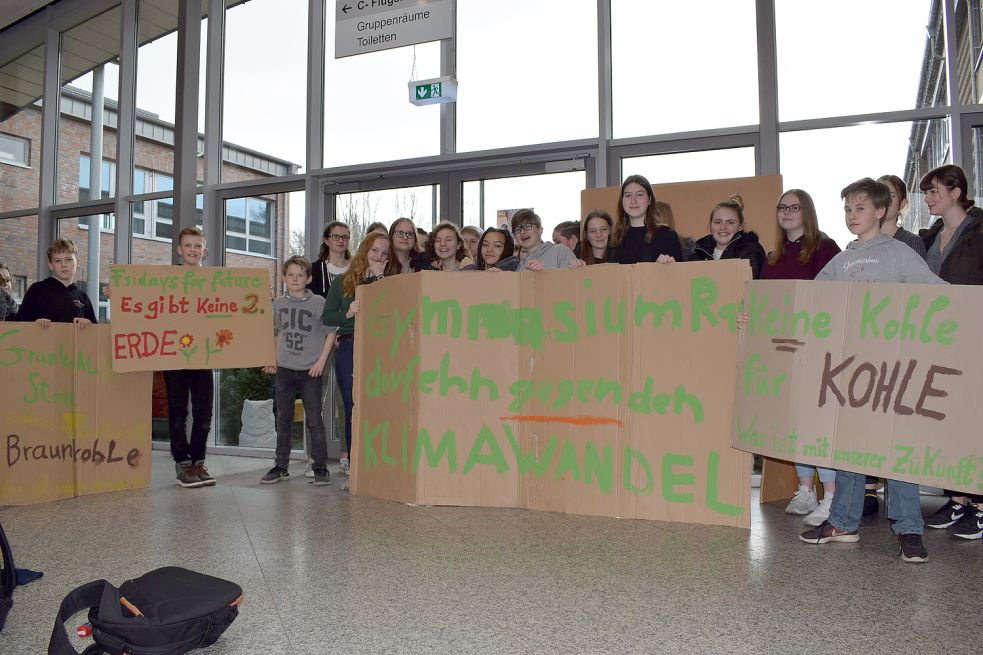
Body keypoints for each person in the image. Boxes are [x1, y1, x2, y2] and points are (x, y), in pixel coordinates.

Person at [799, 178, 944, 563]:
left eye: (859, 208)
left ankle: (909, 528)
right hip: (851, 372)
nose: (851, 216)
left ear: (881, 211)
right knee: (850, 448)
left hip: (894, 372)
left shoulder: (898, 254)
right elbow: (809, 300)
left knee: (897, 451)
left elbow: (937, 291)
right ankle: (843, 522)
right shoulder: (842, 261)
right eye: (847, 209)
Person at [760, 189, 841, 522]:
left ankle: (832, 496)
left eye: (794, 207)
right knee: (796, 424)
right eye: (782, 207)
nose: (787, 212)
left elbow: (834, 298)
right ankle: (806, 489)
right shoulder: (773, 257)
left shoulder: (826, 248)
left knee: (818, 424)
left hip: (818, 348)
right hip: (783, 351)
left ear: (807, 211)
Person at [918, 164, 983, 539]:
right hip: (941, 340)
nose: (927, 198)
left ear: (956, 192)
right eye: (926, 193)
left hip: (974, 336)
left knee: (976, 420)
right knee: (951, 420)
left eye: (933, 191)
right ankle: (958, 497)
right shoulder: (931, 236)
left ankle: (980, 503)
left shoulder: (979, 230)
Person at [322, 232, 389, 488]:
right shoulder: (342, 282)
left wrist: (378, 279)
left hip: (381, 349)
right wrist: (347, 313)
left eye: (384, 253)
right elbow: (327, 317)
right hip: (349, 348)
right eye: (374, 250)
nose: (378, 257)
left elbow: (391, 312)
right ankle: (356, 467)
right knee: (353, 408)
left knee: (379, 408)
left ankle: (378, 465)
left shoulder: (388, 281)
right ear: (364, 250)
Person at [261, 256, 335, 487]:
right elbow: (277, 333)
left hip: (310, 370)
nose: (295, 279)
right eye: (290, 274)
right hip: (284, 369)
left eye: (300, 275)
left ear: (308, 278)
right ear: (284, 277)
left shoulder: (318, 303)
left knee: (314, 421)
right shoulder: (278, 304)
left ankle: (320, 467)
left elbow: (330, 333)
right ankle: (281, 466)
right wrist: (270, 359)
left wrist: (320, 363)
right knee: (283, 419)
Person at [161, 228, 216, 489]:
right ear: (179, 250)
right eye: (188, 245)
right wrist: (120, 292)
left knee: (205, 413)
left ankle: (198, 462)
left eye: (197, 246)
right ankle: (182, 464)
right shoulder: (166, 279)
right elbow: (143, 301)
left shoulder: (216, 281)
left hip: (203, 357)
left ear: (204, 250)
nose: (193, 250)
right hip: (173, 355)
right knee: (178, 412)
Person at [16, 238, 97, 326]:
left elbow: (96, 332)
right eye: (58, 261)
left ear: (77, 262)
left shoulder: (83, 297)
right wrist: (36, 323)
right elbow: (19, 323)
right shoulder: (37, 290)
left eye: (68, 259)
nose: (63, 264)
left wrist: (89, 325)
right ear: (50, 265)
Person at [609, 174, 683, 264]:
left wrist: (671, 266)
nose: (633, 201)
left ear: (650, 200)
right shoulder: (615, 238)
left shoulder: (667, 235)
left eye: (639, 195)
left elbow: (680, 275)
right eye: (628, 195)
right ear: (622, 201)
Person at [687, 195, 766, 278]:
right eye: (717, 222)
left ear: (740, 226)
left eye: (730, 222)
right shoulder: (697, 253)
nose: (723, 227)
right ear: (710, 225)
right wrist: (674, 268)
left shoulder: (752, 251)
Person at [511, 209, 577, 271]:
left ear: (540, 230)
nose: (522, 232)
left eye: (527, 226)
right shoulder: (520, 266)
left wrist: (545, 274)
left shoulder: (560, 252)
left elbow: (584, 282)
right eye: (517, 230)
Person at [878, 174, 926, 258]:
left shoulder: (911, 242)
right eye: (880, 194)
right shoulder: (859, 245)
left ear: (902, 204)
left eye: (892, 196)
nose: (885, 200)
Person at [309, 221, 351, 298]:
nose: (341, 240)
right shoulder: (314, 270)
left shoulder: (356, 268)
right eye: (335, 236)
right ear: (326, 241)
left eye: (345, 237)